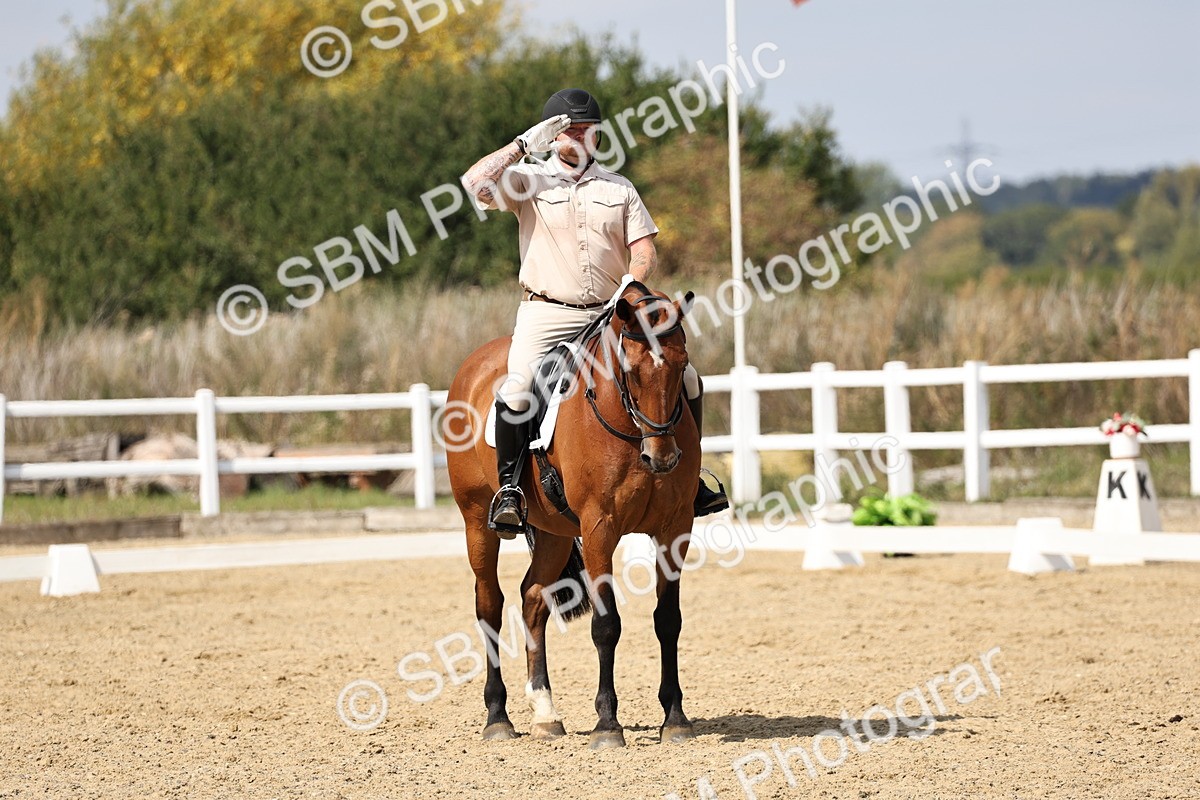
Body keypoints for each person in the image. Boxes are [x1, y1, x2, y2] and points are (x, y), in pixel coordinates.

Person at [460, 88, 727, 538]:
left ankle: (691, 480)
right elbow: (474, 185)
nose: (582, 137)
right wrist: (524, 145)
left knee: (686, 377)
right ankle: (509, 490)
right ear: (555, 135)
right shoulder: (529, 181)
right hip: (547, 313)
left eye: (589, 130)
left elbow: (643, 249)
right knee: (517, 390)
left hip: (611, 311)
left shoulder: (618, 187)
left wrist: (632, 281)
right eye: (572, 130)